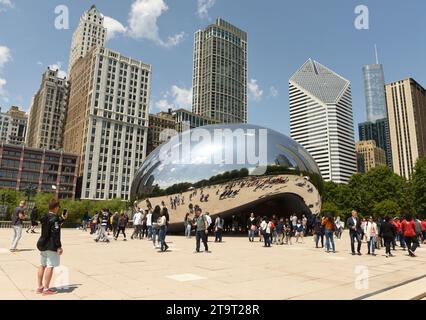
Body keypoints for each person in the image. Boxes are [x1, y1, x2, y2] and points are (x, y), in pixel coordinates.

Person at [36, 199, 66, 295]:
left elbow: (49, 224)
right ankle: (46, 289)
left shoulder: (44, 216)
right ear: (56, 207)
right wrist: (59, 246)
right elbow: (55, 233)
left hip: (42, 243)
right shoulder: (55, 218)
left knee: (42, 265)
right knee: (50, 266)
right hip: (51, 245)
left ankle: (40, 287)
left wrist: (62, 219)